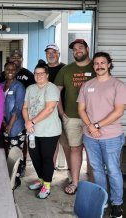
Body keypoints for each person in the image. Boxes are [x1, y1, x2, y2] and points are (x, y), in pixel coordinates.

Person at [77, 52, 126, 218]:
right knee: (97, 170)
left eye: (103, 63)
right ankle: (102, 199)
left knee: (113, 170)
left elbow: (118, 111)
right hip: (90, 137)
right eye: (96, 63)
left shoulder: (118, 85)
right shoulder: (87, 85)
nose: (99, 66)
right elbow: (81, 109)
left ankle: (117, 204)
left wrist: (97, 125)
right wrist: (91, 127)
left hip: (111, 136)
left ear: (109, 64)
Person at [54, 39, 95, 195]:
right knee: (75, 149)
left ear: (86, 48)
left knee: (92, 152)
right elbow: (56, 92)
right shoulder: (66, 70)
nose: (77, 51)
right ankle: (75, 182)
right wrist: (61, 113)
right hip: (72, 117)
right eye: (74, 49)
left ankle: (93, 184)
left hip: (93, 119)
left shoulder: (96, 66)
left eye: (80, 48)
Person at [22, 62, 61, 199]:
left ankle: (47, 185)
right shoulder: (30, 88)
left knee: (46, 158)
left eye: (42, 73)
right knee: (35, 157)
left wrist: (32, 121)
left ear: (47, 75)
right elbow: (25, 108)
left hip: (49, 131)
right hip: (32, 130)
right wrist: (28, 122)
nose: (39, 76)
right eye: (36, 73)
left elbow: (49, 109)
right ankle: (41, 179)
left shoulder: (51, 88)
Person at [44, 44, 71, 180]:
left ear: (58, 53)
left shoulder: (66, 69)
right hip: (46, 115)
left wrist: (64, 112)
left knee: (67, 145)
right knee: (50, 147)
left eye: (53, 52)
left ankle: (71, 173)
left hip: (63, 113)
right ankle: (49, 175)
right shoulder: (42, 70)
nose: (51, 54)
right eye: (48, 52)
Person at [3, 61, 26, 189]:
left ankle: (15, 179)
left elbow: (18, 107)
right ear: (4, 70)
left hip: (16, 126)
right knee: (7, 153)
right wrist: (3, 123)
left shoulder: (19, 87)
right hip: (4, 125)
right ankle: (7, 177)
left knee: (15, 153)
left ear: (16, 71)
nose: (10, 71)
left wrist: (10, 125)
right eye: (7, 69)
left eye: (13, 69)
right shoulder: (1, 86)